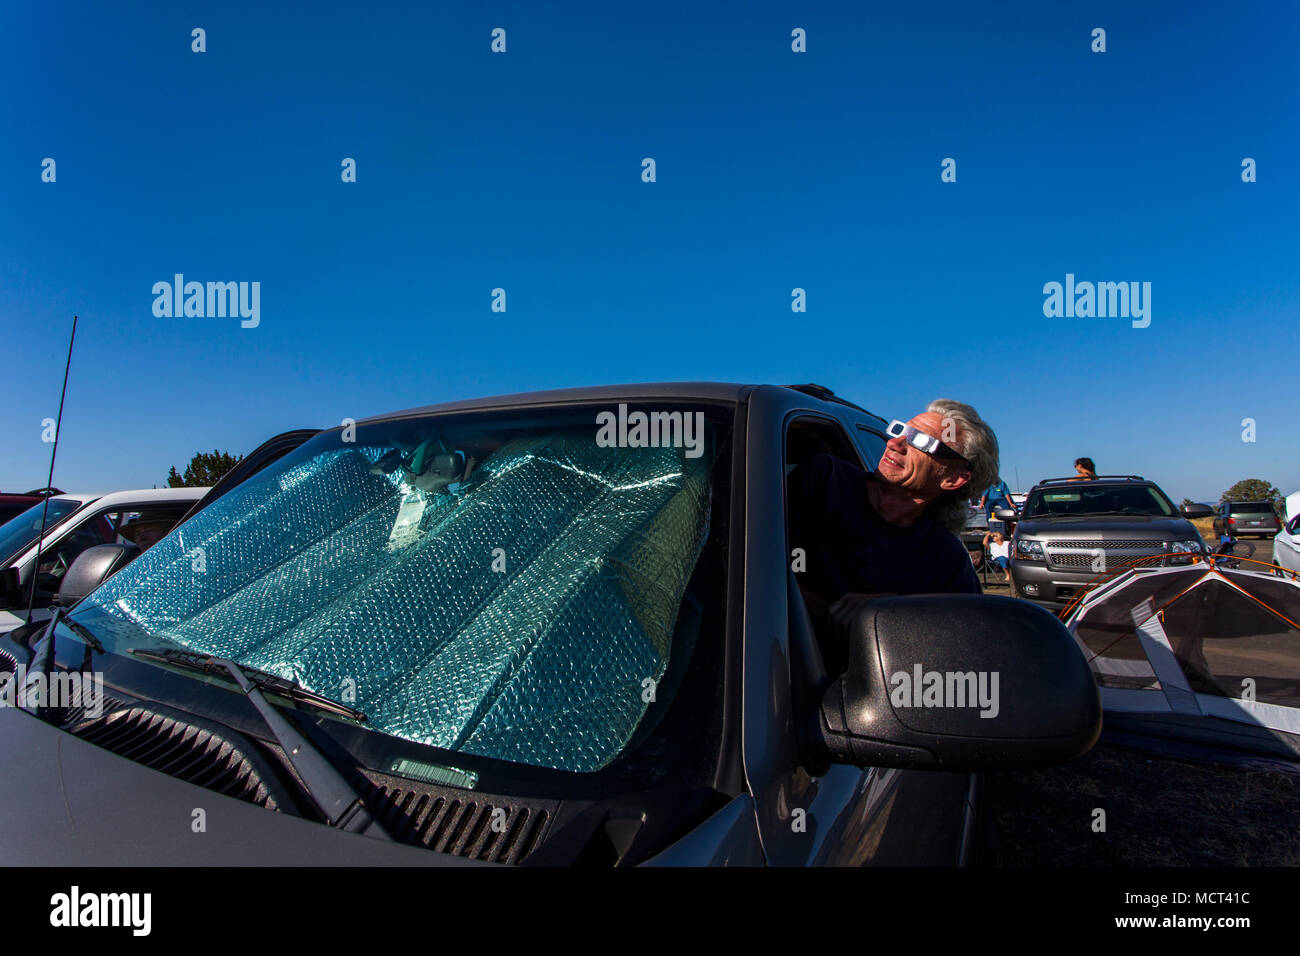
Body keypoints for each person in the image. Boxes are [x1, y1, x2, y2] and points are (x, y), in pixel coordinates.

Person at [787, 399, 1000, 670]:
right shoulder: (824, 480)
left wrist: (893, 614)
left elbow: (970, 640)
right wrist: (832, 612)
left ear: (953, 479)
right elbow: (754, 565)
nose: (895, 444)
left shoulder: (946, 560)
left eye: (921, 442)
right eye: (901, 431)